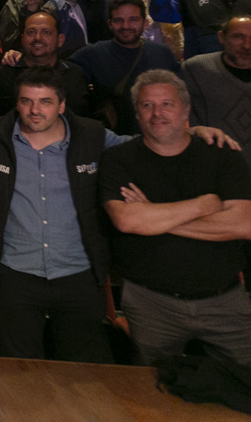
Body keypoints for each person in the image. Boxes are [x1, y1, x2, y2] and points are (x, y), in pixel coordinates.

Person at [101, 71, 251, 367]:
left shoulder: (222, 153)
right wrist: (202, 205)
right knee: (151, 387)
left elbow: (244, 225)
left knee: (244, 383)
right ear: (137, 113)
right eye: (147, 105)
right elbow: (128, 221)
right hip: (150, 302)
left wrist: (153, 214)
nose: (157, 113)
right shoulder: (118, 159)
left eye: (167, 104)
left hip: (225, 300)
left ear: (186, 110)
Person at [0, 69, 114, 362]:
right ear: (17, 102)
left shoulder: (92, 135)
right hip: (15, 274)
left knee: (80, 370)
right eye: (26, 101)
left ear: (62, 105)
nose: (34, 110)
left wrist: (194, 132)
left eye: (45, 102)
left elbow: (143, 144)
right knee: (19, 369)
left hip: (78, 273)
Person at [69, 0, 179, 135]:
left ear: (145, 23)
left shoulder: (162, 53)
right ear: (109, 24)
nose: (125, 26)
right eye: (118, 20)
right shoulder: (93, 54)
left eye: (133, 20)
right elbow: (62, 77)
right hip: (113, 141)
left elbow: (179, 96)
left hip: (160, 136)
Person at [0, 11, 92, 118]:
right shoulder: (2, 76)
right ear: (23, 39)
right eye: (31, 32)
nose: (38, 38)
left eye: (46, 32)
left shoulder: (75, 74)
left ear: (60, 40)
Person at [181, 16, 251, 157]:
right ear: (221, 37)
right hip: (213, 162)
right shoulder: (196, 69)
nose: (247, 45)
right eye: (238, 37)